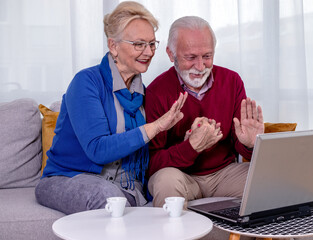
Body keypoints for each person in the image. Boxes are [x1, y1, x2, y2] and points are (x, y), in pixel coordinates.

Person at [35, 1, 188, 215]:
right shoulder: (86, 82)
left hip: (122, 183)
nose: (149, 52)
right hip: (68, 177)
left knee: (160, 200)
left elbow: (150, 153)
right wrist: (154, 127)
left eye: (152, 44)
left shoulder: (142, 91)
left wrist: (190, 139)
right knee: (108, 198)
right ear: (113, 46)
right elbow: (97, 149)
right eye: (139, 44)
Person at [145, 16, 264, 208]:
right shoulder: (156, 92)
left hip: (224, 173)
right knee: (165, 181)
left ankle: (273, 238)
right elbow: (151, 164)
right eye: (190, 57)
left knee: (272, 180)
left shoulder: (231, 81)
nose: (200, 67)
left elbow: (239, 145)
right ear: (170, 54)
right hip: (181, 176)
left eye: (207, 56)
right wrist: (190, 147)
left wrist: (250, 144)